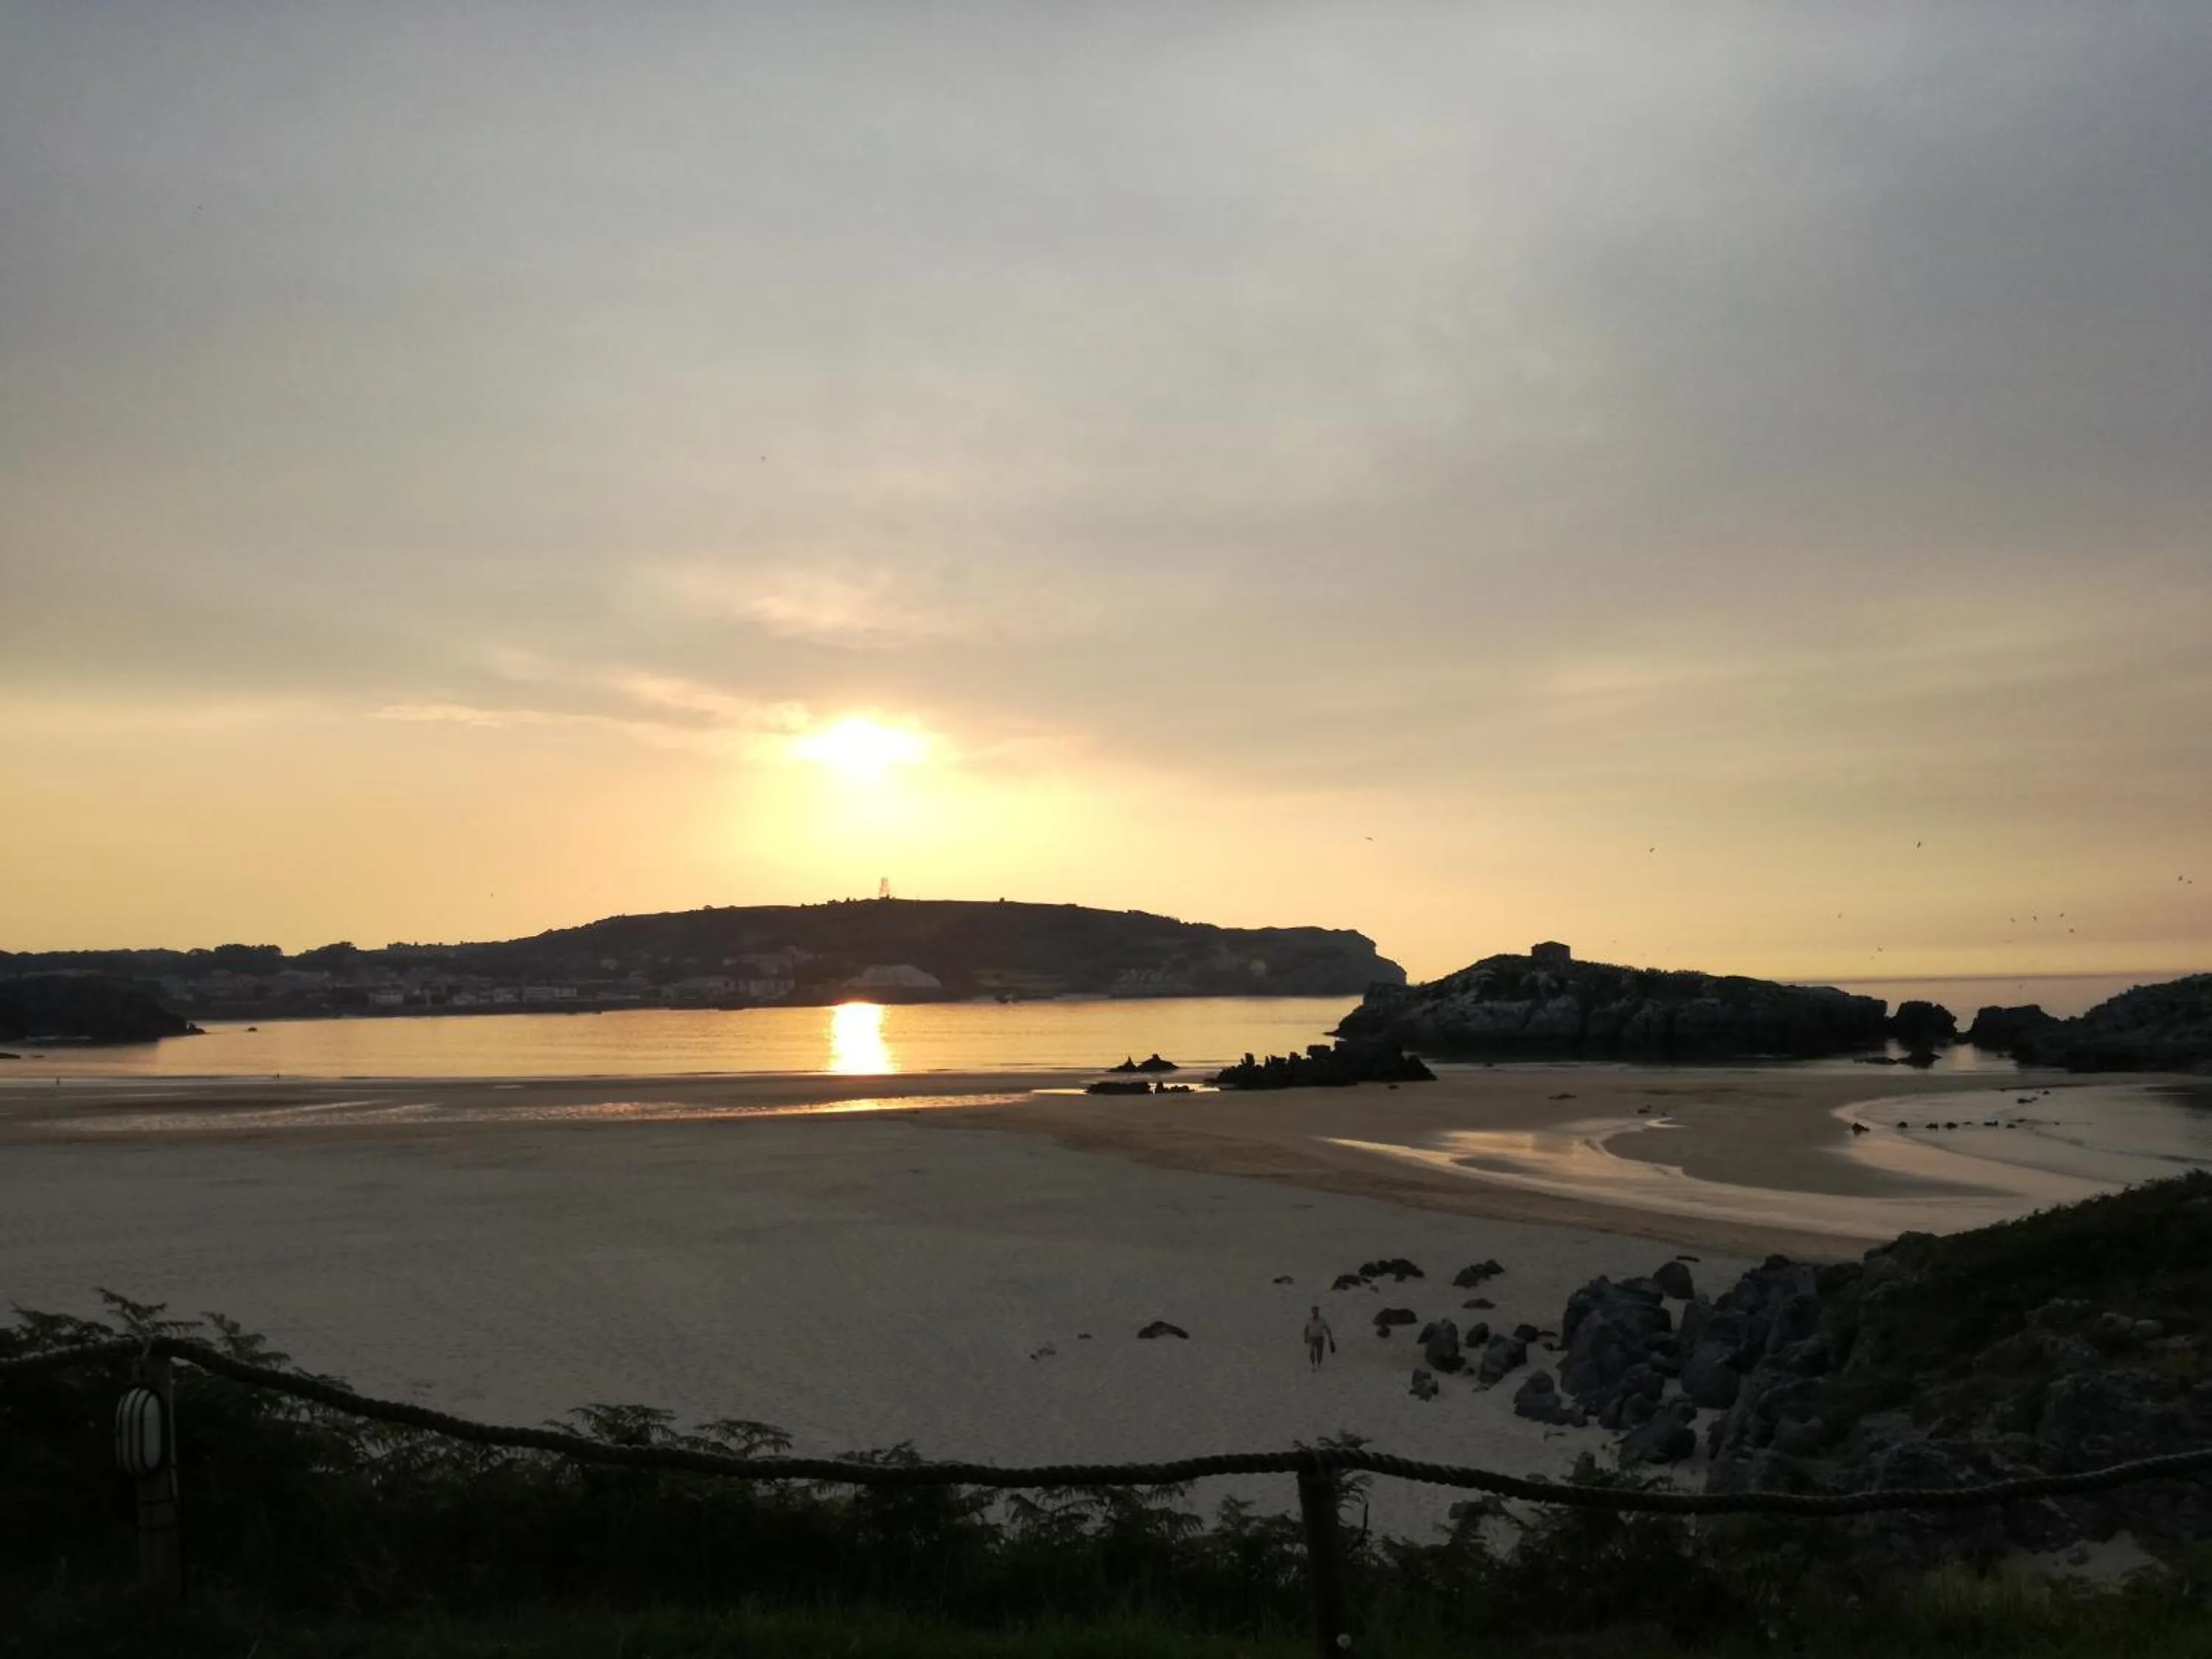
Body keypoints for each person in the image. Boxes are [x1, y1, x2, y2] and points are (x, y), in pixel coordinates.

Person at [1304, 1307, 1335, 1371]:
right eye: (1314, 1311)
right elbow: (1306, 1329)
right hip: (1312, 1338)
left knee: (1319, 1352)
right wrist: (1305, 1337)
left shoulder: (1322, 1320)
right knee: (1312, 1352)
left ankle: (1319, 1365)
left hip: (1320, 1338)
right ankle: (1313, 1365)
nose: (1315, 1313)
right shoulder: (1309, 1320)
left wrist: (1330, 1339)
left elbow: (1327, 1329)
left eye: (1316, 1311)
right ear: (1312, 1312)